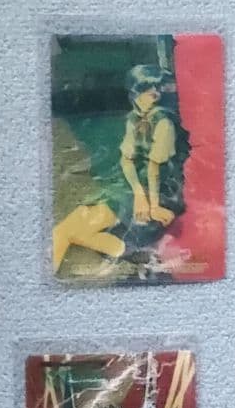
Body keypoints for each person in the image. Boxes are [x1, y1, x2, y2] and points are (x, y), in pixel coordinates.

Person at [53, 64, 189, 274]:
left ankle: (132, 251)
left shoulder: (164, 124)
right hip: (133, 189)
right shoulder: (134, 119)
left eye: (156, 92)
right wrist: (138, 194)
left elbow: (155, 168)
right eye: (146, 91)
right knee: (69, 230)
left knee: (67, 230)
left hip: (160, 193)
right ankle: (132, 252)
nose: (153, 96)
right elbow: (127, 160)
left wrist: (151, 205)